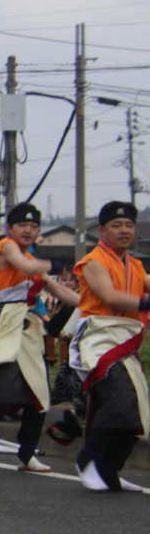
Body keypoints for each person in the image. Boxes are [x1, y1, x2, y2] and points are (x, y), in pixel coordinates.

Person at [0, 202, 79, 471]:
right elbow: (24, 264)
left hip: (25, 331)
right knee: (3, 392)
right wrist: (57, 263)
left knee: (39, 396)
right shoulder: (6, 247)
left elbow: (60, 291)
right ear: (9, 228)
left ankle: (27, 453)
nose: (28, 230)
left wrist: (93, 304)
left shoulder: (34, 264)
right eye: (22, 225)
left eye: (34, 226)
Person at [68, 201, 149, 492]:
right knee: (119, 403)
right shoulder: (93, 262)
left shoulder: (135, 265)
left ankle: (109, 471)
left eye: (129, 225)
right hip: (98, 342)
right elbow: (110, 297)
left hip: (124, 344)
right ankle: (86, 460)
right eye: (117, 225)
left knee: (137, 412)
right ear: (102, 230)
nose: (124, 230)